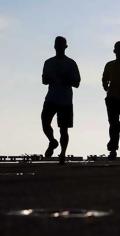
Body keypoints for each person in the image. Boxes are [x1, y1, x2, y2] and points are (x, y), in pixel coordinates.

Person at [41, 36, 81, 164]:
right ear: (55, 47)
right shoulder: (48, 62)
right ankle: (52, 141)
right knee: (45, 122)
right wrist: (51, 78)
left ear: (65, 47)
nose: (59, 47)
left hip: (65, 100)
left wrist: (65, 79)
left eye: (61, 45)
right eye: (57, 45)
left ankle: (62, 153)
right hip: (51, 98)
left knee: (64, 129)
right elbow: (44, 80)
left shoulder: (71, 63)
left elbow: (77, 83)